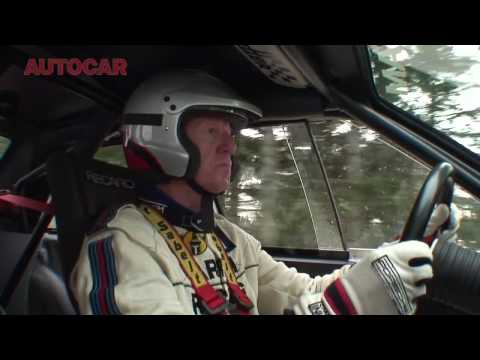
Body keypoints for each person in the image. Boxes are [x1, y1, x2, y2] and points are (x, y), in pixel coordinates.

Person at [70, 70, 459, 315]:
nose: (230, 146)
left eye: (231, 133)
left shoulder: (226, 237)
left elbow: (301, 292)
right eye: (213, 132)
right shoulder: (120, 247)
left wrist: (386, 265)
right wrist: (337, 309)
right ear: (161, 135)